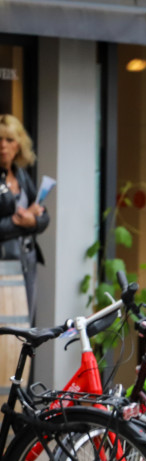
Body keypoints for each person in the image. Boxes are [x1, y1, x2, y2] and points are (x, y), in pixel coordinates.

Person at [0, 114, 49, 324]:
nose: (3, 146)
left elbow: (44, 216)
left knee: (25, 324)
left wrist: (34, 222)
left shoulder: (21, 175)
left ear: (19, 145)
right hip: (3, 262)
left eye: (9, 140)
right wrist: (19, 222)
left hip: (27, 260)